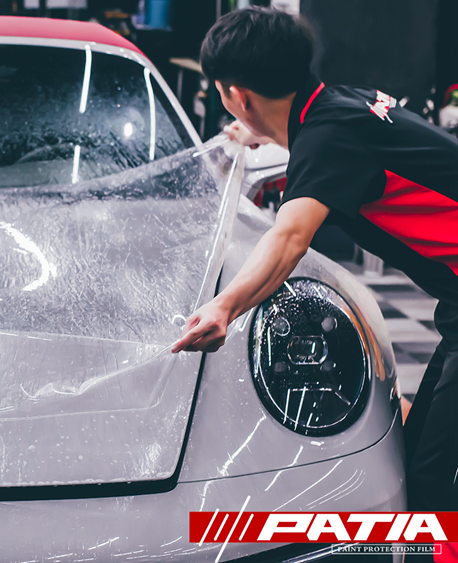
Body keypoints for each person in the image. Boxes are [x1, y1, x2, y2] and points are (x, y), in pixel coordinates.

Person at [172, 7, 458, 513]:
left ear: (238, 95)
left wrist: (223, 307)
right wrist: (256, 132)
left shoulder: (327, 138)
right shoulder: (340, 105)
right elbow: (330, 149)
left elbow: (289, 238)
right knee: (420, 460)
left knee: (430, 477)